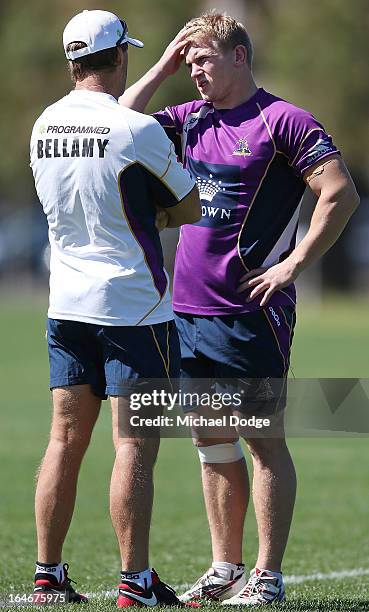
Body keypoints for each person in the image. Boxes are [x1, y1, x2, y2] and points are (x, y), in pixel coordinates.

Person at [119, 11, 360, 606]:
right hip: (188, 311)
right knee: (211, 442)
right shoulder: (187, 119)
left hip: (251, 311)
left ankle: (267, 577)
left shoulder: (284, 121)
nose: (195, 71)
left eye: (205, 60)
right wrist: (165, 64)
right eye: (190, 61)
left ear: (240, 57)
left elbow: (340, 191)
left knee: (263, 440)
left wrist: (293, 264)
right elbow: (118, 125)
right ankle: (224, 568)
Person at [30, 9, 201, 607]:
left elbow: (105, 125)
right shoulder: (137, 130)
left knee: (64, 440)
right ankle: (136, 581)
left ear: (73, 60)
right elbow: (190, 206)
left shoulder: (44, 123)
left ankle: (47, 577)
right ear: (120, 55)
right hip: (135, 308)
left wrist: (156, 70)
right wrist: (156, 216)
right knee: (133, 447)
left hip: (66, 305)